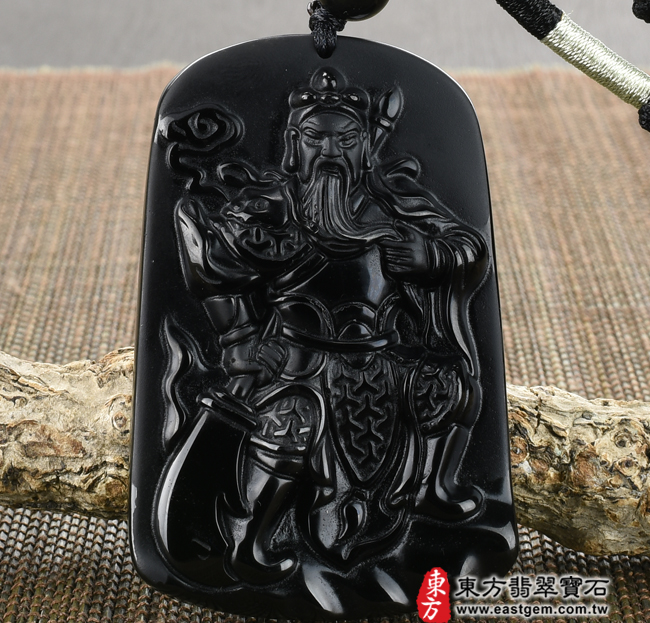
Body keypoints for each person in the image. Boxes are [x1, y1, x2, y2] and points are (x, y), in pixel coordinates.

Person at [170, 67, 488, 583]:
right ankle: (253, 542)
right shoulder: (272, 205)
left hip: (384, 361)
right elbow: (216, 267)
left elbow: (469, 247)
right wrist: (240, 341)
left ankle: (433, 487)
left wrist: (430, 255)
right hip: (303, 362)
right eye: (316, 138)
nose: (331, 151)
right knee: (289, 428)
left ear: (365, 148)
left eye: (346, 140)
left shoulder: (392, 203)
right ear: (294, 146)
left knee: (455, 389)